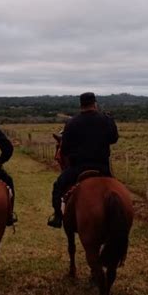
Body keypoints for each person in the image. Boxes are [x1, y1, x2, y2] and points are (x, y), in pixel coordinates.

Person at [47, 92, 118, 228]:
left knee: (58, 187)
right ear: (94, 103)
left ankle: (57, 217)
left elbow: (65, 149)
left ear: (81, 105)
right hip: (102, 168)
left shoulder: (72, 123)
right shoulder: (105, 120)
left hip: (78, 168)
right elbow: (114, 139)